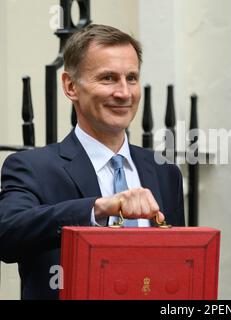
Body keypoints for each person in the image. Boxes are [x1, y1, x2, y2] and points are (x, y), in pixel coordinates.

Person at [0, 24, 185, 299]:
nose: (124, 93)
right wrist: (97, 209)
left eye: (131, 78)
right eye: (108, 78)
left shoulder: (164, 171)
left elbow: (177, 268)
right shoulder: (31, 167)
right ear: (71, 86)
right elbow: (8, 236)